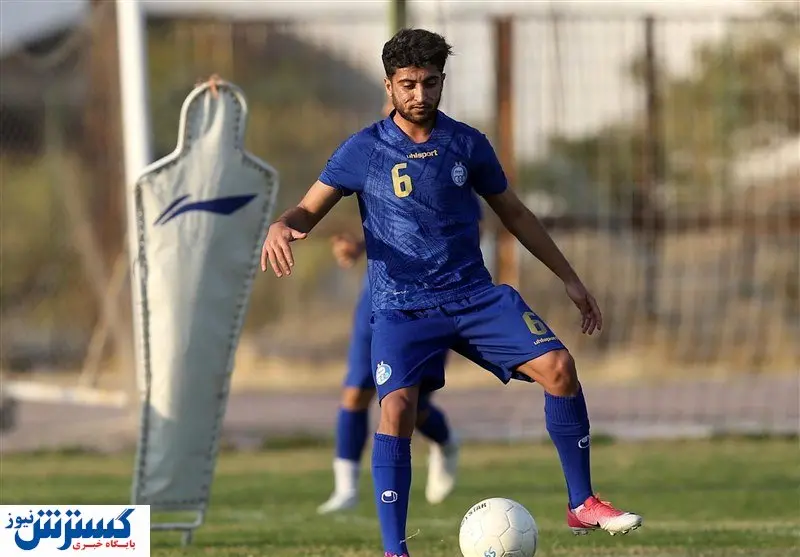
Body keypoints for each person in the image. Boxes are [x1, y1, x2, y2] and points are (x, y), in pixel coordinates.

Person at [262, 28, 643, 557]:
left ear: (443, 81)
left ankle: (581, 503)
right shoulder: (363, 149)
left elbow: (514, 212)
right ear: (390, 85)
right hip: (401, 308)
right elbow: (307, 208)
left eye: (431, 83)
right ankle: (396, 550)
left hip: (474, 297)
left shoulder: (467, 143)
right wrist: (283, 225)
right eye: (409, 85)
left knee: (559, 367)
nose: (420, 96)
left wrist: (569, 277)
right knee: (395, 409)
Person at [318, 228, 459, 514]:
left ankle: (445, 443)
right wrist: (357, 245)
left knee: (412, 406)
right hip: (377, 297)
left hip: (429, 300)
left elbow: (465, 228)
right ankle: (346, 490)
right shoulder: (376, 181)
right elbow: (381, 223)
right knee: (356, 391)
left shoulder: (454, 183)